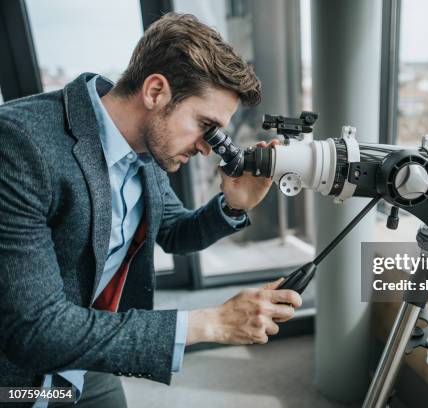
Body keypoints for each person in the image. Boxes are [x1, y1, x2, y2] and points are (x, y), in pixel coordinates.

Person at [0, 12, 301, 407]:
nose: (209, 146)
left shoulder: (142, 152)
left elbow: (174, 231)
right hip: (15, 376)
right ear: (156, 91)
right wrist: (211, 322)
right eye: (205, 124)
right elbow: (35, 330)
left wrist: (233, 204)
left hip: (86, 360)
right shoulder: (20, 145)